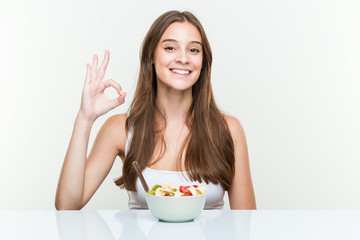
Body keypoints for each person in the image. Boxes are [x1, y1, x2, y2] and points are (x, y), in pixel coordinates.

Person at [55, 10, 256, 210]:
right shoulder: (119, 129)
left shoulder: (229, 130)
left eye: (193, 50)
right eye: (170, 47)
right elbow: (67, 205)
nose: (183, 58)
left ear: (203, 63)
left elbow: (246, 223)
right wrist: (85, 118)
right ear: (151, 56)